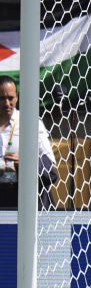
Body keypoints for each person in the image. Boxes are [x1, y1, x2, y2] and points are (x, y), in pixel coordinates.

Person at [0, 76, 59, 210]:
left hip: (27, 203)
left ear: (18, 97)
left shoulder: (32, 123)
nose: (6, 103)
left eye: (10, 98)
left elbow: (50, 171)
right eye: (1, 98)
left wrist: (25, 164)